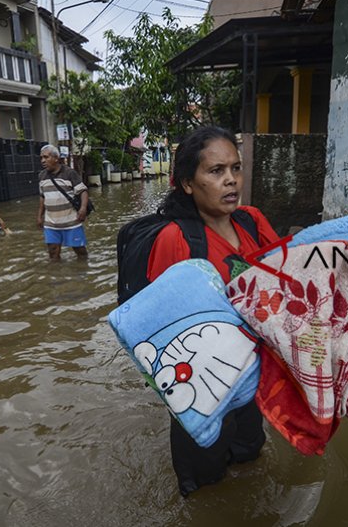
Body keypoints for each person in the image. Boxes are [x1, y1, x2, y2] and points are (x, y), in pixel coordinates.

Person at [146, 126, 280, 497]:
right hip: (201, 389)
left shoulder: (252, 220)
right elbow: (161, 329)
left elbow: (284, 284)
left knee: (251, 457)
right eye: (216, 171)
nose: (231, 180)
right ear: (188, 183)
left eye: (235, 169)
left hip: (251, 377)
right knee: (204, 485)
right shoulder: (175, 239)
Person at [37, 144, 89, 260]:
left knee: (80, 252)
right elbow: (42, 197)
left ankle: (83, 272)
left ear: (56, 158)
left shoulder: (69, 173)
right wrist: (39, 216)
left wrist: (83, 208)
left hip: (71, 221)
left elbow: (83, 191)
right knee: (53, 253)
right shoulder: (42, 176)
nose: (43, 161)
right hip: (51, 223)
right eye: (41, 158)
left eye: (46, 157)